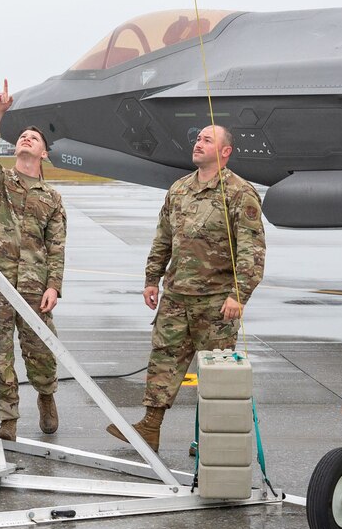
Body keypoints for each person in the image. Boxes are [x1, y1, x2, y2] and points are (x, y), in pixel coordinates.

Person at [107, 123, 266, 453]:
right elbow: (163, 237)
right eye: (197, 138)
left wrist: (240, 294)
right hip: (176, 297)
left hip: (217, 302)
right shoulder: (179, 189)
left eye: (207, 140)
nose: (198, 143)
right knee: (163, 363)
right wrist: (152, 279)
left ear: (225, 152)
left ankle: (211, 440)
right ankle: (150, 428)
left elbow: (252, 248)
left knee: (216, 375)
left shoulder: (240, 192)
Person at [0, 80, 66, 442]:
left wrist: (54, 286)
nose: (27, 139)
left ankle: (46, 395)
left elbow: (57, 246)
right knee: (0, 354)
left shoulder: (51, 197)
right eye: (22, 137)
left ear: (44, 154)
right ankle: (7, 418)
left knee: (41, 351)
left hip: (34, 288)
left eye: (35, 138)